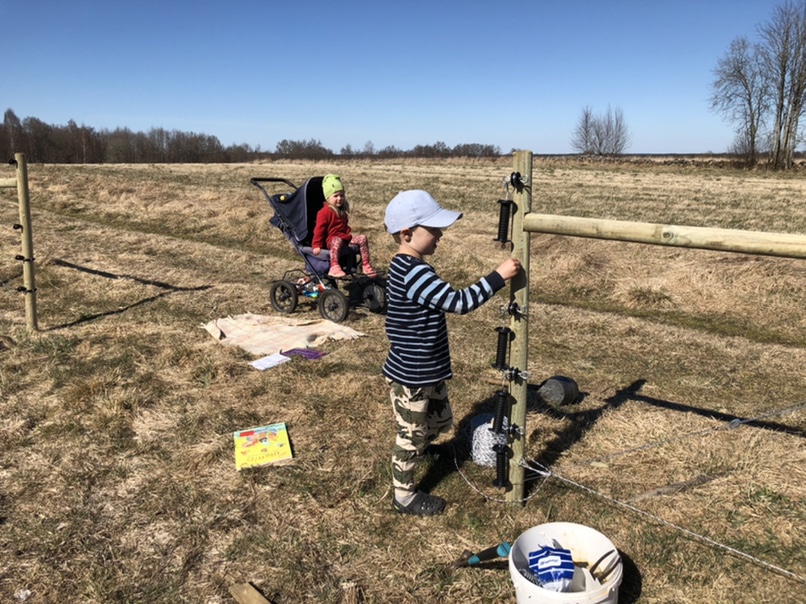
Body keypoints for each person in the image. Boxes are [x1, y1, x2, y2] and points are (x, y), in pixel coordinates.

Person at [382, 189, 521, 516]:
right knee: (410, 435)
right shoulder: (415, 273)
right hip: (413, 374)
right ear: (407, 233)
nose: (440, 234)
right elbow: (459, 303)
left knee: (437, 418)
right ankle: (404, 496)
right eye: (433, 229)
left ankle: (428, 448)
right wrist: (497, 277)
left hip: (424, 368)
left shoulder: (405, 266)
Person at [311, 174, 377, 278]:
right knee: (337, 240)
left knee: (362, 238)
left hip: (345, 239)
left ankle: (366, 265)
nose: (339, 198)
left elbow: (344, 228)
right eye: (336, 196)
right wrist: (316, 245)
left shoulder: (342, 211)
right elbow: (319, 230)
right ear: (328, 197)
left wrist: (347, 236)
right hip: (332, 241)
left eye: (342, 195)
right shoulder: (324, 212)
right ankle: (334, 267)